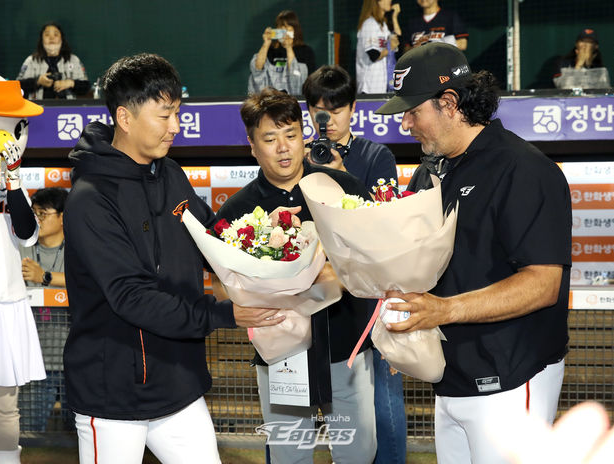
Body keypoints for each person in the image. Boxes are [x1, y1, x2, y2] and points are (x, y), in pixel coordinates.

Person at [62, 53, 284, 464]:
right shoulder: (91, 199)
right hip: (112, 396)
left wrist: (264, 237)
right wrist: (223, 314)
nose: (176, 126)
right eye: (165, 115)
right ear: (125, 119)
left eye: (177, 113)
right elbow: (130, 296)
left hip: (179, 385)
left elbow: (211, 239)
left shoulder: (171, 173)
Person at [376, 43, 572, 464]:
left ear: (449, 103)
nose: (405, 123)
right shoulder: (431, 171)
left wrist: (442, 311)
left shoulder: (523, 169)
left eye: (413, 111)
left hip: (512, 380)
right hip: (450, 377)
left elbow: (543, 284)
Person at [216, 87, 377, 464]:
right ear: (252, 146)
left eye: (291, 135)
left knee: (359, 452)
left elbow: (376, 265)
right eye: (270, 139)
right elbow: (222, 288)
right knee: (291, 456)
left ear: (305, 135)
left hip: (346, 347)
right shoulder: (238, 213)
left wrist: (336, 273)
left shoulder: (344, 189)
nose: (284, 147)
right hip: (280, 354)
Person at [302, 65, 405, 464]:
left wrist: (342, 176)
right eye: (317, 109)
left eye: (336, 108)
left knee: (383, 403)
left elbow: (384, 224)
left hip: (368, 296)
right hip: (312, 296)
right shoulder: (299, 155)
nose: (326, 118)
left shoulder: (376, 155)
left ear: (353, 109)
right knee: (313, 409)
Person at [0, 69, 46, 463]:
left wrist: (13, 181)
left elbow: (26, 232)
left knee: (4, 404)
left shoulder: (10, 181)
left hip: (3, 301)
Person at [18, 187, 71, 432]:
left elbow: (92, 284)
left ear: (63, 217)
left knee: (80, 436)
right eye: (34, 214)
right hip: (34, 361)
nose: (36, 220)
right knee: (28, 434)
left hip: (75, 361)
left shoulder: (79, 249)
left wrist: (45, 277)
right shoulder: (20, 249)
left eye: (43, 214)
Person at [248, 10, 316, 95]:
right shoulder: (269, 50)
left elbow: (301, 78)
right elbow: (257, 70)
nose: (283, 30)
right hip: (269, 99)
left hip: (295, 100)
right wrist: (266, 44)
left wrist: (288, 47)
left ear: (295, 29)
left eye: (287, 27)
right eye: (280, 27)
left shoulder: (305, 51)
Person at [16, 22, 89, 100]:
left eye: (56, 35)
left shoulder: (73, 60)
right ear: (41, 39)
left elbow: (86, 87)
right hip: (38, 108)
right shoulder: (31, 61)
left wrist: (70, 83)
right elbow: (17, 87)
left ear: (62, 38)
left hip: (68, 108)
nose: (51, 38)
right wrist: (37, 81)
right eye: (47, 35)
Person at [356, 0, 400, 94]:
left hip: (380, 85)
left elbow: (398, 39)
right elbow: (373, 55)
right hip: (368, 87)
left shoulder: (383, 25)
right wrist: (389, 47)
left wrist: (394, 17)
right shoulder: (369, 24)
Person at [402, 0, 468, 52]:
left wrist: (431, 46)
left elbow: (462, 44)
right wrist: (414, 49)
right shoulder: (412, 22)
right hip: (420, 66)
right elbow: (405, 50)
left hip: (445, 65)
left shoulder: (451, 17)